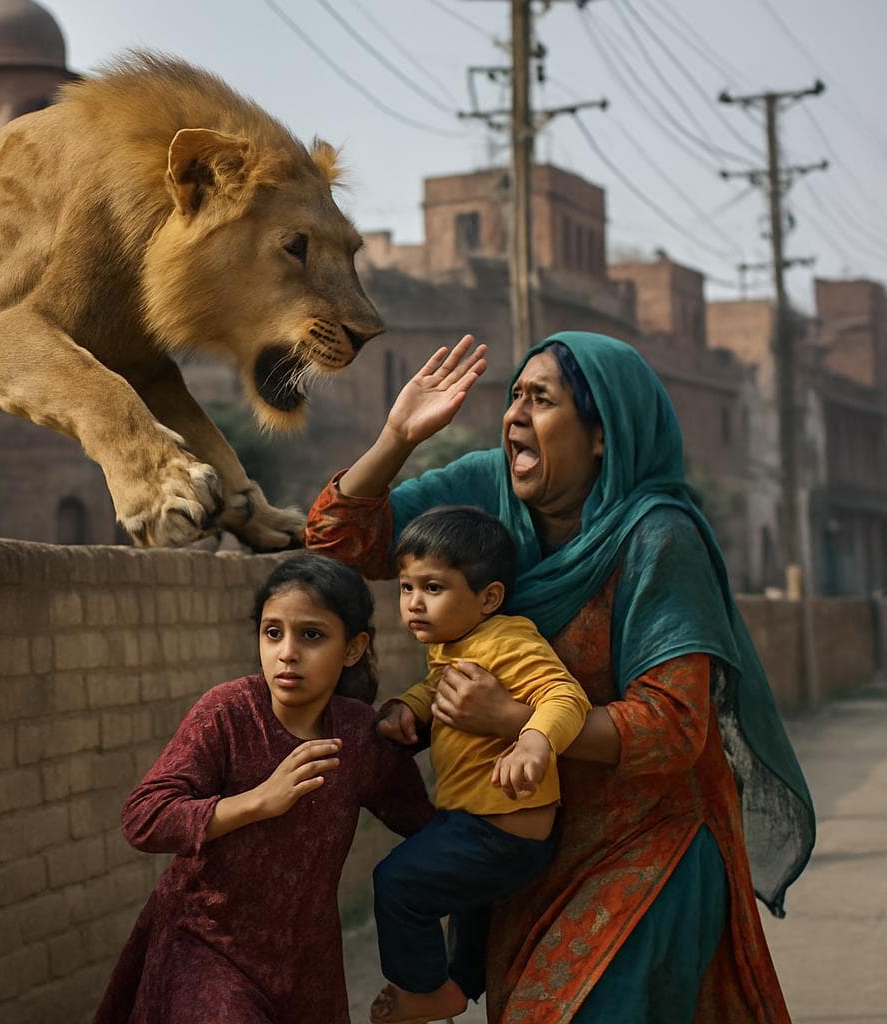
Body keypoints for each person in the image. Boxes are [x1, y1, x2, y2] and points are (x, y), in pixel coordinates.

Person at [306, 331, 813, 1023]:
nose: (514, 414)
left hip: (644, 844)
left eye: (540, 399)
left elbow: (674, 728)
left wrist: (515, 720)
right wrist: (397, 435)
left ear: (601, 433)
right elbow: (339, 540)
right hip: (522, 849)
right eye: (513, 396)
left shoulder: (658, 537)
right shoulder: (489, 490)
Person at [94, 554, 434, 1024]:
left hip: (306, 966)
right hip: (206, 949)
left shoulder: (358, 735)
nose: (287, 652)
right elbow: (144, 817)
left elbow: (426, 826)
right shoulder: (228, 712)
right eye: (273, 632)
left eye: (311, 635)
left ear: (353, 648)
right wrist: (257, 801)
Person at [370, 505, 591, 1024]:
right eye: (406, 588)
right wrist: (410, 707)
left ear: (488, 597)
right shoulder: (456, 644)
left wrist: (534, 740)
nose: (414, 604)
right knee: (468, 912)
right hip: (476, 824)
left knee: (398, 883)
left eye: (433, 587)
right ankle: (458, 985)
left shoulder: (507, 640)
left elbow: (565, 698)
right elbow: (436, 686)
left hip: (501, 835)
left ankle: (422, 991)